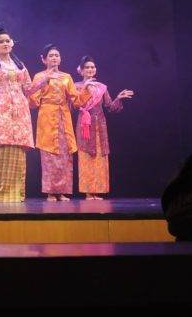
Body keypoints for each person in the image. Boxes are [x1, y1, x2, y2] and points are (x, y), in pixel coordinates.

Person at [0, 26, 39, 202]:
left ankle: (16, 194)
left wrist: (43, 81)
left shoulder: (20, 65)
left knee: (16, 152)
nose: (5, 43)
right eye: (1, 41)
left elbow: (28, 88)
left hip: (19, 111)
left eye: (7, 41)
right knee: (0, 149)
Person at [29, 45, 91, 201]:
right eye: (51, 55)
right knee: (49, 155)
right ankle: (51, 192)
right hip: (47, 116)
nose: (54, 58)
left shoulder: (66, 77)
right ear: (43, 59)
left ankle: (62, 191)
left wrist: (86, 89)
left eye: (57, 55)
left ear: (60, 58)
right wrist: (44, 82)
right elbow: (33, 102)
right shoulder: (38, 76)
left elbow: (76, 101)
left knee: (64, 155)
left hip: (64, 116)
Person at [74, 55, 134, 199]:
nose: (90, 69)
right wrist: (85, 88)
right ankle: (88, 192)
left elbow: (111, 107)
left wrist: (118, 98)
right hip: (85, 125)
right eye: (87, 67)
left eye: (92, 67)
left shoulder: (101, 87)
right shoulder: (76, 86)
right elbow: (75, 104)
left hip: (100, 126)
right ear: (81, 70)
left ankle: (97, 191)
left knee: (100, 157)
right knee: (86, 156)